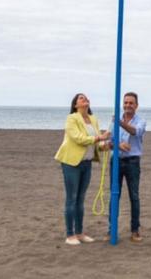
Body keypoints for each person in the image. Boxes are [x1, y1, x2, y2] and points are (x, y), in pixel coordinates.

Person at [54, 93, 111, 246]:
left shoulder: (93, 119)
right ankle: (70, 234)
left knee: (81, 199)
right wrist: (100, 138)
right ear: (75, 105)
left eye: (86, 98)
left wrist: (104, 145)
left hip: (86, 162)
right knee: (71, 198)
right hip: (71, 162)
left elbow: (96, 142)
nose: (84, 99)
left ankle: (79, 232)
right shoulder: (72, 118)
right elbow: (78, 138)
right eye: (81, 98)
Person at [106, 92, 146, 243]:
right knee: (114, 195)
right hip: (116, 161)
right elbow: (108, 142)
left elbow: (135, 132)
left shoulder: (141, 121)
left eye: (131, 103)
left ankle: (135, 230)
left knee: (134, 196)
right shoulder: (114, 121)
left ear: (136, 105)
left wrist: (120, 123)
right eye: (126, 102)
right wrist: (117, 145)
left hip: (132, 162)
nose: (127, 105)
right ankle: (111, 230)